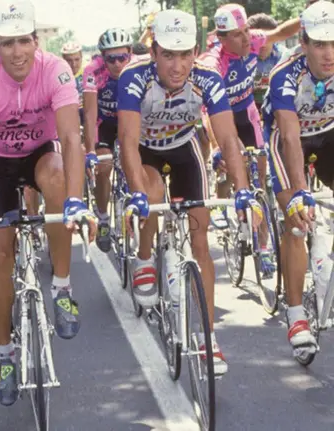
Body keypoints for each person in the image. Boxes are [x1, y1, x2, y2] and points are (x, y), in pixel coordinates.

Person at [0, 0, 97, 406]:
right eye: (7, 43)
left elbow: (72, 138)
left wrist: (74, 201)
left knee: (56, 178)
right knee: (0, 255)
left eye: (24, 41)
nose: (17, 51)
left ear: (36, 42)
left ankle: (62, 287)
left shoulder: (54, 68)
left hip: (42, 151)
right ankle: (4, 355)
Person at [117, 10, 262, 377]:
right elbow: (128, 142)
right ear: (154, 52)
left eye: (185, 55)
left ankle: (209, 338)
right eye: (168, 55)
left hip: (184, 148)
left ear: (196, 52)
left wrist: (243, 192)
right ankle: (145, 257)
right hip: (145, 151)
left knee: (201, 237)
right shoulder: (133, 78)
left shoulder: (208, 79)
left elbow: (228, 138)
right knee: (149, 194)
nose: (177, 65)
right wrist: (135, 194)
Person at [264, 0, 334, 358]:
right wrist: (299, 193)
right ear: (303, 43)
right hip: (289, 139)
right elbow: (291, 137)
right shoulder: (285, 74)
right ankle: (295, 315)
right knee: (296, 219)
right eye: (320, 44)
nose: (329, 54)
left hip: (329, 133)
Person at [201, 4, 299, 240]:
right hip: (221, 117)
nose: (246, 38)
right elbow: (206, 113)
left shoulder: (253, 40)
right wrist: (216, 146)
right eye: (237, 34)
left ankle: (263, 243)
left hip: (246, 112)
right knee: (235, 168)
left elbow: (283, 33)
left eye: (246, 30)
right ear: (222, 38)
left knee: (261, 179)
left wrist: (310, 17)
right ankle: (227, 205)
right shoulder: (213, 62)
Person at [82, 27, 135, 253]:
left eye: (122, 57)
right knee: (103, 163)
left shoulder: (137, 67)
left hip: (129, 120)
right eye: (110, 58)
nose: (116, 63)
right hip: (103, 124)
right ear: (102, 57)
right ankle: (103, 218)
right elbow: (90, 114)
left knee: (136, 161)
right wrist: (90, 150)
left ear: (130, 54)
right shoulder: (93, 71)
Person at [247, 14, 288, 109]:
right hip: (248, 106)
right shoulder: (241, 57)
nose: (262, 44)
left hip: (277, 104)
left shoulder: (285, 56)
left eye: (267, 38)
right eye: (257, 40)